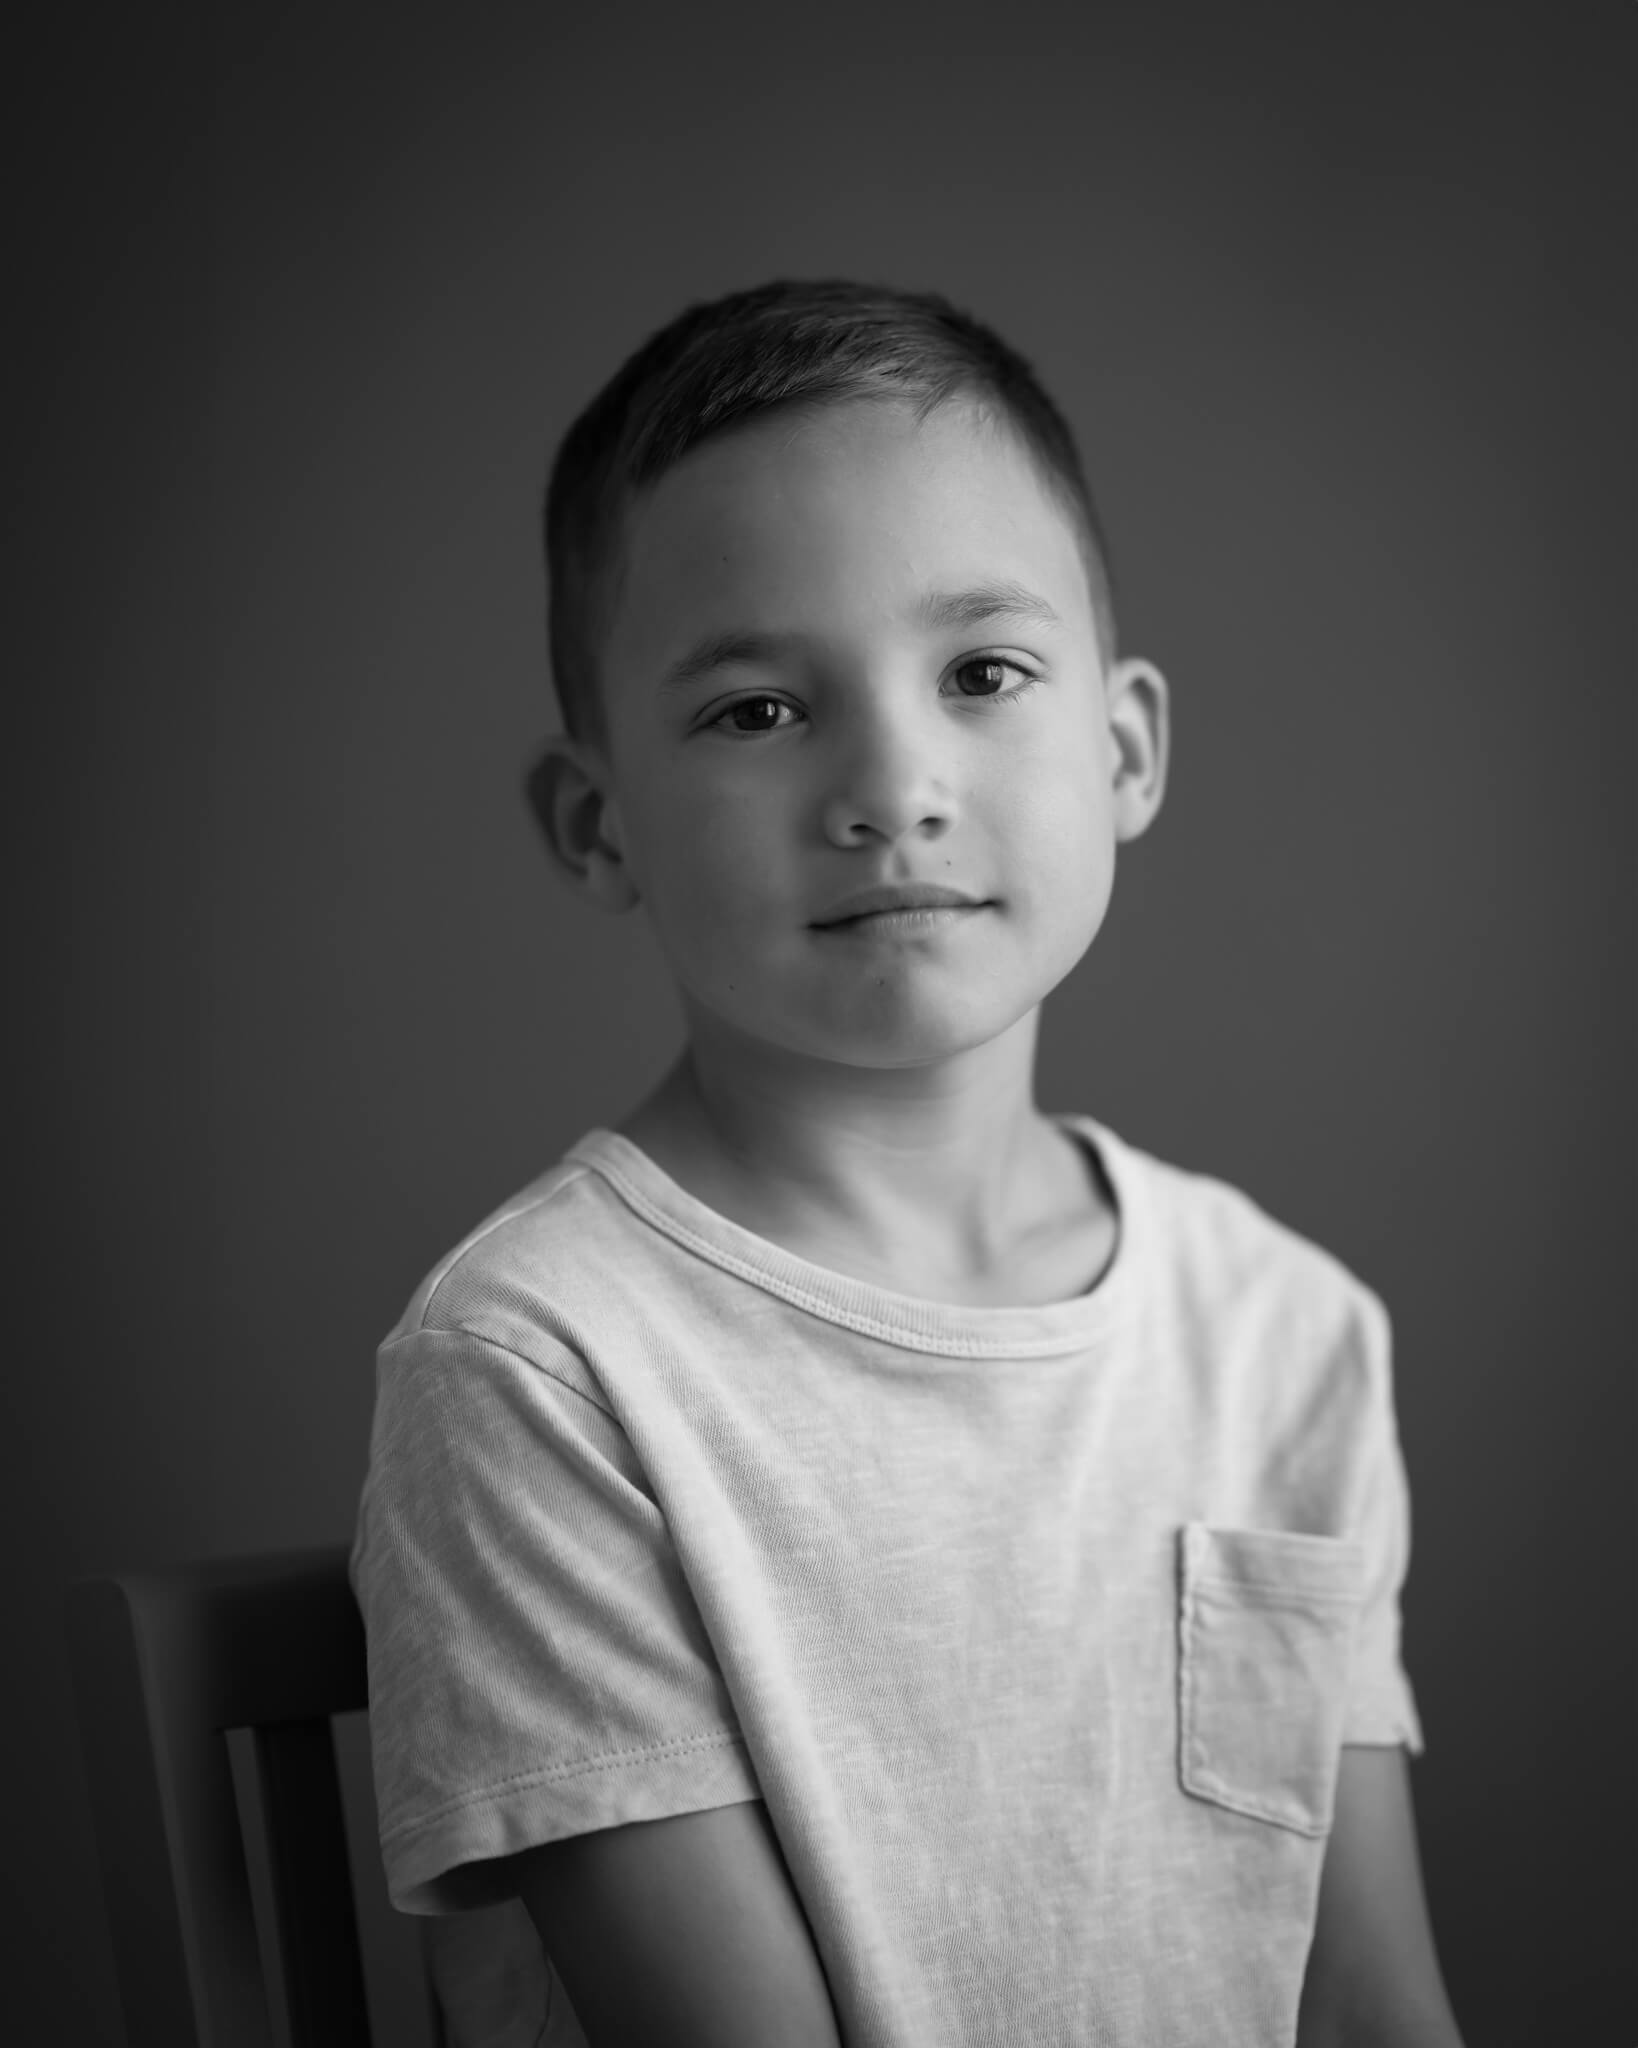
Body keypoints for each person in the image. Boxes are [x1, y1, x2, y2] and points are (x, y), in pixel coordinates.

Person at [350, 278, 1465, 2048]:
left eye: (980, 674)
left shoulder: (1284, 1330)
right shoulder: (542, 1368)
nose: (893, 782)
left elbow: (1373, 2004)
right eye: (754, 712)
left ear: (1121, 753)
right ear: (596, 822)